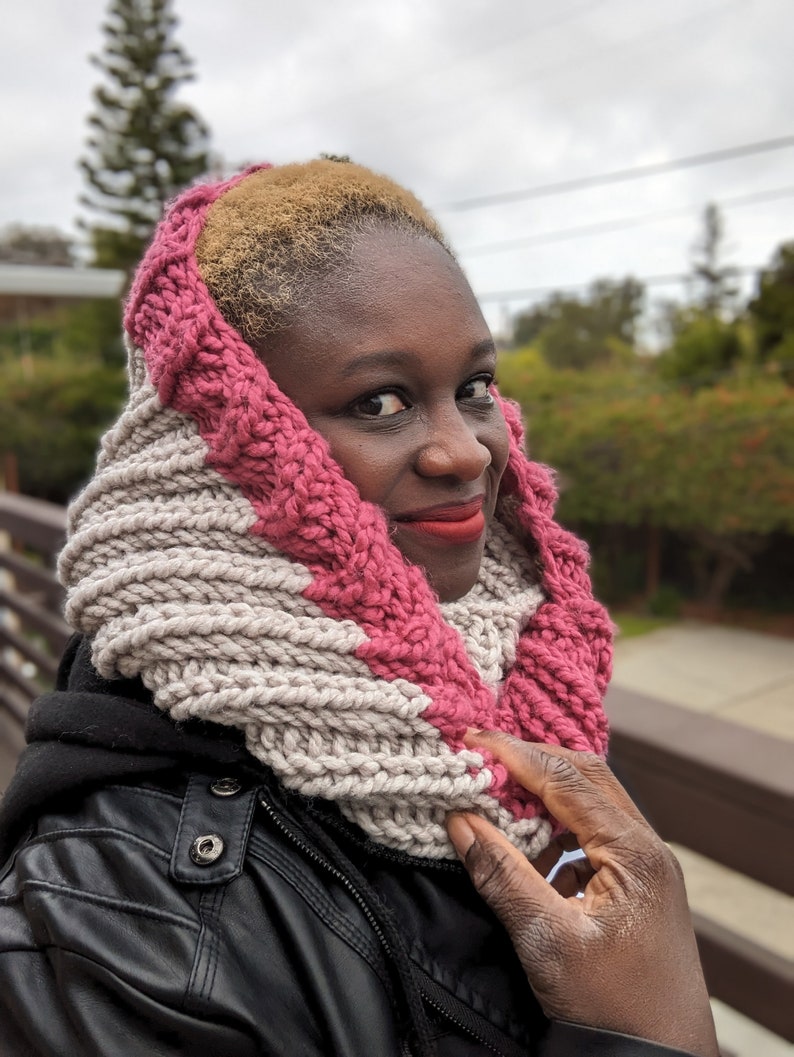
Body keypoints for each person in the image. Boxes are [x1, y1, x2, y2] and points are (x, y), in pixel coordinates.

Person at [0, 160, 718, 1056]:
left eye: (475, 387)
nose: (464, 450)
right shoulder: (127, 920)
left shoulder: (524, 687)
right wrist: (655, 1037)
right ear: (223, 448)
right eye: (381, 401)